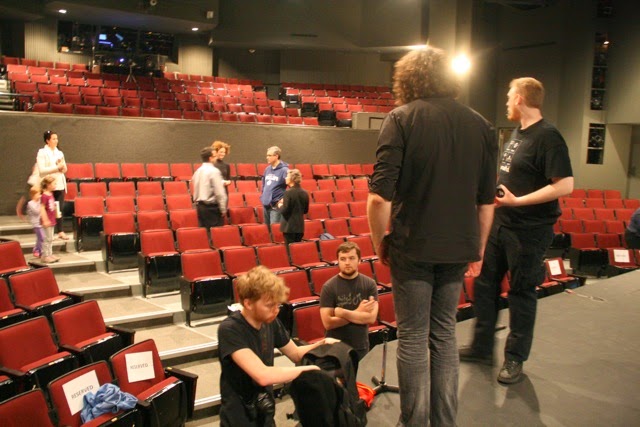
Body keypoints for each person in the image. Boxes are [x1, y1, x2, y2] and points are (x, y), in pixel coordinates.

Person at [367, 46, 497, 426]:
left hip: (413, 245)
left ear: (408, 80)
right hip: (458, 247)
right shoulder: (482, 125)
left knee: (412, 336)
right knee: (444, 335)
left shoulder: (401, 118)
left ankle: (414, 421)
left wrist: (379, 243)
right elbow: (486, 201)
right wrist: (479, 249)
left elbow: (378, 198)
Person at [459, 77, 574, 385]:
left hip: (529, 231)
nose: (507, 101)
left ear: (521, 98)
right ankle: (482, 347)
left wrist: (518, 201)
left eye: (510, 96)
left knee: (521, 292)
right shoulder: (517, 133)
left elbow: (565, 185)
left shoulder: (549, 137)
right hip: (502, 223)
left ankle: (515, 358)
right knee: (485, 284)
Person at [218, 266, 338, 426]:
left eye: (277, 305)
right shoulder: (230, 329)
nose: (276, 311)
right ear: (248, 303)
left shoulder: (270, 322)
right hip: (239, 418)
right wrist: (309, 370)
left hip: (264, 413)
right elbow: (262, 375)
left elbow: (295, 353)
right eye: (269, 305)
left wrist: (322, 344)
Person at [319, 241, 378, 362]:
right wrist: (358, 312)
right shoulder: (328, 287)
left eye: (351, 258)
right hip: (335, 348)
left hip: (360, 346)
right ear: (338, 261)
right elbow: (328, 323)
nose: (347, 262)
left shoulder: (370, 284)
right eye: (343, 259)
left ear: (359, 260)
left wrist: (342, 313)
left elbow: (371, 318)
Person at [36, 130, 68, 240]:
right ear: (47, 140)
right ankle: (49, 232)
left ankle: (60, 231)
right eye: (53, 139)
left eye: (56, 138)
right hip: (48, 185)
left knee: (59, 209)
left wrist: (62, 168)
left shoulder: (60, 153)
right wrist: (56, 168)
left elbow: (64, 168)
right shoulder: (42, 152)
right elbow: (42, 170)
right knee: (48, 208)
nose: (56, 141)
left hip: (59, 184)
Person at [191, 147, 227, 228]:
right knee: (216, 234)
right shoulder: (214, 171)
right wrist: (223, 209)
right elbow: (219, 193)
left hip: (200, 208)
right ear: (210, 158)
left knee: (204, 233)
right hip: (212, 209)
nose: (217, 158)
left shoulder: (198, 171)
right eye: (215, 156)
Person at [277, 169, 309, 246]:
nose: (285, 178)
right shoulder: (305, 192)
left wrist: (280, 205)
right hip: (299, 227)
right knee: (297, 249)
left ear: (292, 179)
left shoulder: (288, 192)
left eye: (287, 176)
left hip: (289, 227)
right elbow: (305, 210)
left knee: (290, 250)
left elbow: (284, 210)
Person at [260, 146, 289, 229]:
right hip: (266, 205)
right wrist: (263, 196)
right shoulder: (267, 169)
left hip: (276, 206)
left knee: (275, 230)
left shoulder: (284, 170)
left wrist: (284, 199)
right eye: (267, 155)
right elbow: (264, 184)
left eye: (269, 155)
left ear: (276, 156)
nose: (267, 157)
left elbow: (292, 186)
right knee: (267, 230)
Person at [40, 176, 60, 263]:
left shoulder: (50, 194)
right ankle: (45, 255)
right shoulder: (44, 196)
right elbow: (42, 208)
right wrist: (45, 220)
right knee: (46, 239)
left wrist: (56, 213)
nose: (55, 185)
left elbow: (52, 205)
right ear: (48, 185)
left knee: (50, 238)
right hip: (47, 220)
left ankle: (50, 254)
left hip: (51, 220)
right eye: (54, 184)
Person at [26, 186, 44, 258]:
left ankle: (38, 250)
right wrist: (42, 205)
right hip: (36, 223)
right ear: (33, 195)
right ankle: (37, 250)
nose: (40, 196)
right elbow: (36, 212)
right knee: (41, 237)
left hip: (41, 223)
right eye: (38, 194)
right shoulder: (30, 203)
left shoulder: (39, 202)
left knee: (40, 237)